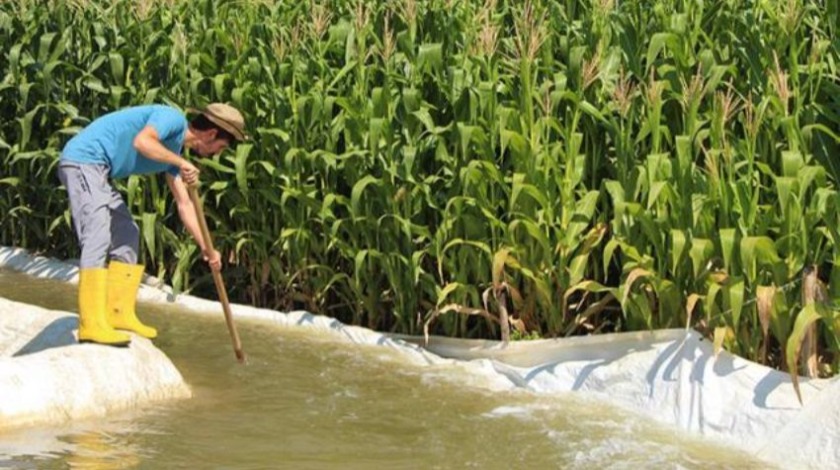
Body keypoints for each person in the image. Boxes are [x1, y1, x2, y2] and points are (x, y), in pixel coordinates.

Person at [57, 103, 247, 346]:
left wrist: (207, 249)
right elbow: (142, 142)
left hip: (100, 172)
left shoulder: (173, 153)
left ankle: (119, 314)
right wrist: (180, 163)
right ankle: (91, 323)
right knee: (98, 234)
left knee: (127, 233)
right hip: (83, 161)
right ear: (211, 134)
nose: (216, 154)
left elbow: (185, 205)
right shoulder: (172, 119)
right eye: (220, 147)